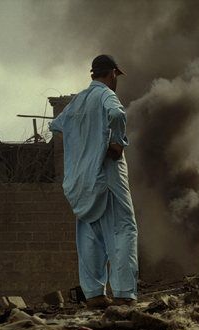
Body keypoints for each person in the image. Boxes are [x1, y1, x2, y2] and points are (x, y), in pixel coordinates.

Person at [50, 54, 138, 308]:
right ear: (111, 74)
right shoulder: (106, 95)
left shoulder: (78, 101)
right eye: (116, 76)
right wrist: (116, 142)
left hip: (82, 181)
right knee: (123, 230)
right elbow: (117, 115)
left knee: (89, 234)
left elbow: (57, 125)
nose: (116, 80)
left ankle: (95, 295)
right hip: (107, 177)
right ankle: (123, 293)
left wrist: (84, 137)